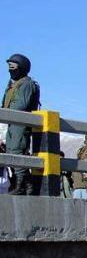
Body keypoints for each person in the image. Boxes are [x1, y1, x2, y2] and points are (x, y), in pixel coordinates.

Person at [3, 54, 40, 195]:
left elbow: (21, 105)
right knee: (10, 151)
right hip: (12, 123)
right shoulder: (13, 85)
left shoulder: (26, 84)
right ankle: (23, 183)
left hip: (20, 123)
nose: (10, 70)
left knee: (17, 151)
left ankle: (21, 185)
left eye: (12, 67)